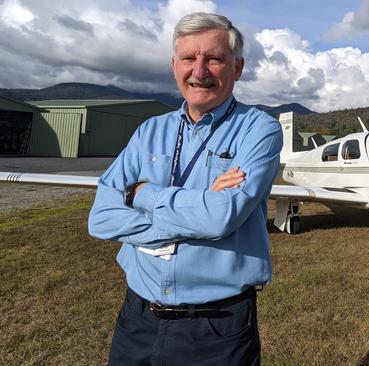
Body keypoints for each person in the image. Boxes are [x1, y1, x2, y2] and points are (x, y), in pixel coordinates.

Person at [88, 12, 282, 366]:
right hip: (137, 318)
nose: (200, 71)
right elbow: (101, 218)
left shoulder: (260, 131)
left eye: (214, 58)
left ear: (237, 68)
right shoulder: (149, 131)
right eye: (189, 58)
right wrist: (202, 206)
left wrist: (141, 195)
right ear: (174, 65)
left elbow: (222, 217)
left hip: (216, 329)